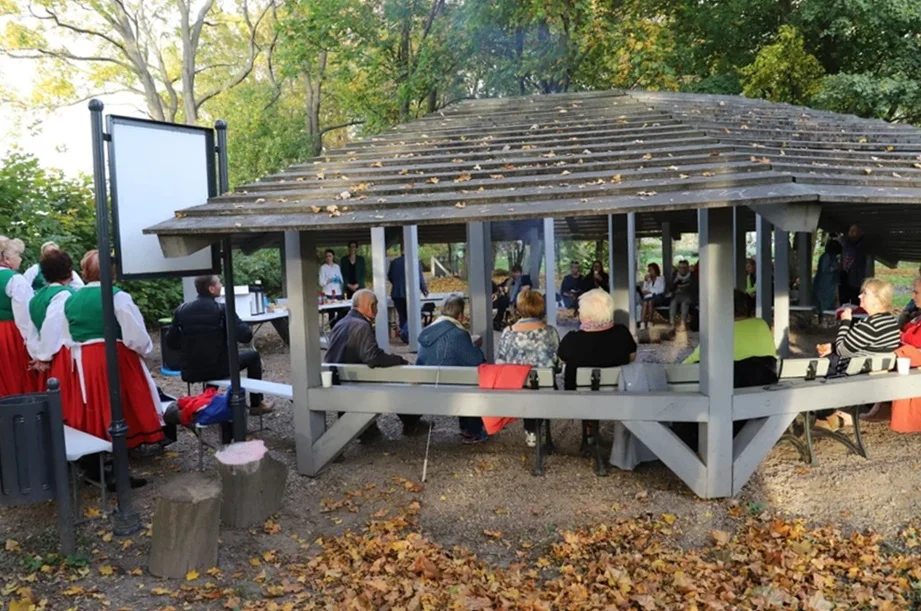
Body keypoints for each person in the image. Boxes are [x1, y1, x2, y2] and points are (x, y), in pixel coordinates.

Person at [63, 250, 164, 448]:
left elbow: (67, 336)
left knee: (94, 405)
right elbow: (135, 336)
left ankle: (100, 452)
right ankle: (122, 452)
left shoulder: (71, 299)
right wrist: (144, 350)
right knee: (121, 405)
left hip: (84, 359)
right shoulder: (117, 297)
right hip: (114, 357)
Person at [166, 275, 274, 417]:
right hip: (217, 368)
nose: (221, 285)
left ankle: (207, 400)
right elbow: (246, 336)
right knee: (252, 356)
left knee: (215, 359)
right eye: (219, 283)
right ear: (211, 289)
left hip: (190, 371)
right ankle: (256, 404)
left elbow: (171, 342)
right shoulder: (222, 310)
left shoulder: (181, 310)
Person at [324, 289, 421, 440]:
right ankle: (411, 424)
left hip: (337, 379)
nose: (377, 309)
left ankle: (368, 431)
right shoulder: (362, 326)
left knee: (379, 375)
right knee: (394, 379)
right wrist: (399, 360)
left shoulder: (340, 323)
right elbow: (373, 358)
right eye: (376, 305)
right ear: (370, 306)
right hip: (351, 383)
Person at [558, 288, 637, 452]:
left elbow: (562, 359)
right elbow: (632, 357)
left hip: (580, 399)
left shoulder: (572, 340)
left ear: (586, 314)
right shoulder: (622, 334)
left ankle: (588, 428)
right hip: (617, 395)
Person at [416, 295, 487, 443]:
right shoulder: (458, 334)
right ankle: (472, 430)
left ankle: (466, 428)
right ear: (460, 316)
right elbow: (476, 361)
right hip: (449, 388)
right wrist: (474, 346)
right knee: (473, 378)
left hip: (427, 386)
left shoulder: (427, 332)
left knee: (460, 373)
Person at [496, 290, 560, 448]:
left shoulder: (508, 333)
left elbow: (500, 362)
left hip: (516, 388)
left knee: (527, 384)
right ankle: (539, 428)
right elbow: (557, 365)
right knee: (543, 382)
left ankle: (531, 429)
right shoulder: (550, 332)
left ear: (519, 308)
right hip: (545, 389)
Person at [27, 249, 81, 416]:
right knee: (66, 400)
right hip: (61, 356)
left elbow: (32, 330)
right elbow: (52, 328)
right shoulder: (63, 295)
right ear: (68, 270)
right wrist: (44, 357)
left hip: (47, 353)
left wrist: (37, 354)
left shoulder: (37, 297)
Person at [683, 290, 776, 365]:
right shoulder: (762, 324)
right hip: (764, 382)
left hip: (729, 386)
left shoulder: (718, 331)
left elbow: (689, 364)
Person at [817, 278, 899, 359]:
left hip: (855, 370)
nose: (859, 296)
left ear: (878, 299)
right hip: (875, 368)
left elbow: (841, 351)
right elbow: (859, 343)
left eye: (865, 293)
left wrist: (845, 322)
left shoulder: (869, 326)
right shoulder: (891, 322)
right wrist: (832, 347)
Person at [0, 236, 39, 397]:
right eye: (17, 254)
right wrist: (35, 349)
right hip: (8, 335)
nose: (20, 259)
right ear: (7, 258)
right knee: (14, 379)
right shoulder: (15, 279)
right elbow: (25, 318)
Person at [387, 244, 429, 332]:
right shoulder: (415, 262)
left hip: (397, 293)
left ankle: (403, 333)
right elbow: (419, 277)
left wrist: (397, 284)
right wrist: (424, 289)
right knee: (411, 315)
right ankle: (410, 334)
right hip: (410, 294)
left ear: (402, 251)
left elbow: (390, 277)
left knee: (401, 315)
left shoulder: (394, 262)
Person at [839, 224, 867, 306]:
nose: (851, 233)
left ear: (860, 233)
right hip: (844, 278)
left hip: (855, 280)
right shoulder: (845, 244)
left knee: (855, 303)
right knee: (844, 302)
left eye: (854, 231)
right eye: (850, 231)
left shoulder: (861, 246)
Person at [813, 239, 842, 315]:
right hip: (825, 284)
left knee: (829, 303)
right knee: (824, 304)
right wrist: (835, 267)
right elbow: (824, 269)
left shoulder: (832, 257)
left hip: (829, 284)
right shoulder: (827, 256)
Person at [669, 259, 695, 329]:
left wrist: (687, 286)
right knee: (673, 303)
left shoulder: (692, 275)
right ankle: (672, 324)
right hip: (677, 294)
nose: (682, 270)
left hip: (687, 295)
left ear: (687, 268)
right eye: (680, 268)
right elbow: (670, 288)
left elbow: (695, 287)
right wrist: (675, 281)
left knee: (684, 304)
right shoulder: (675, 274)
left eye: (684, 268)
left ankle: (683, 323)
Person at [640, 262, 667, 329]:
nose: (650, 272)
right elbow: (644, 290)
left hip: (658, 297)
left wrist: (650, 291)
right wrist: (646, 282)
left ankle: (650, 322)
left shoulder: (661, 278)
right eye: (649, 270)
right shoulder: (648, 279)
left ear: (655, 270)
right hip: (648, 297)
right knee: (645, 303)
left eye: (651, 270)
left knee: (650, 302)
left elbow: (661, 290)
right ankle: (642, 323)